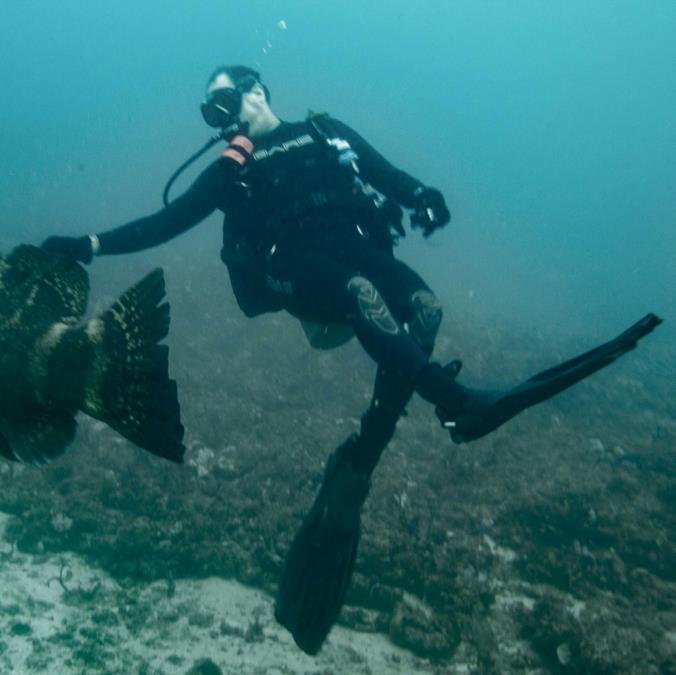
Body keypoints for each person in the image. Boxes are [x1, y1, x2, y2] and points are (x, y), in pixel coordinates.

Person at [41, 65, 661, 655]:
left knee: (425, 309)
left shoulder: (322, 129)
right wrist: (89, 246)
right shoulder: (236, 166)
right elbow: (167, 221)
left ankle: (365, 455)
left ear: (257, 91)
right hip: (295, 269)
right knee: (359, 296)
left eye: (224, 101)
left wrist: (424, 194)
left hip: (356, 249)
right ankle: (454, 401)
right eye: (212, 110)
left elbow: (387, 174)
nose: (220, 117)